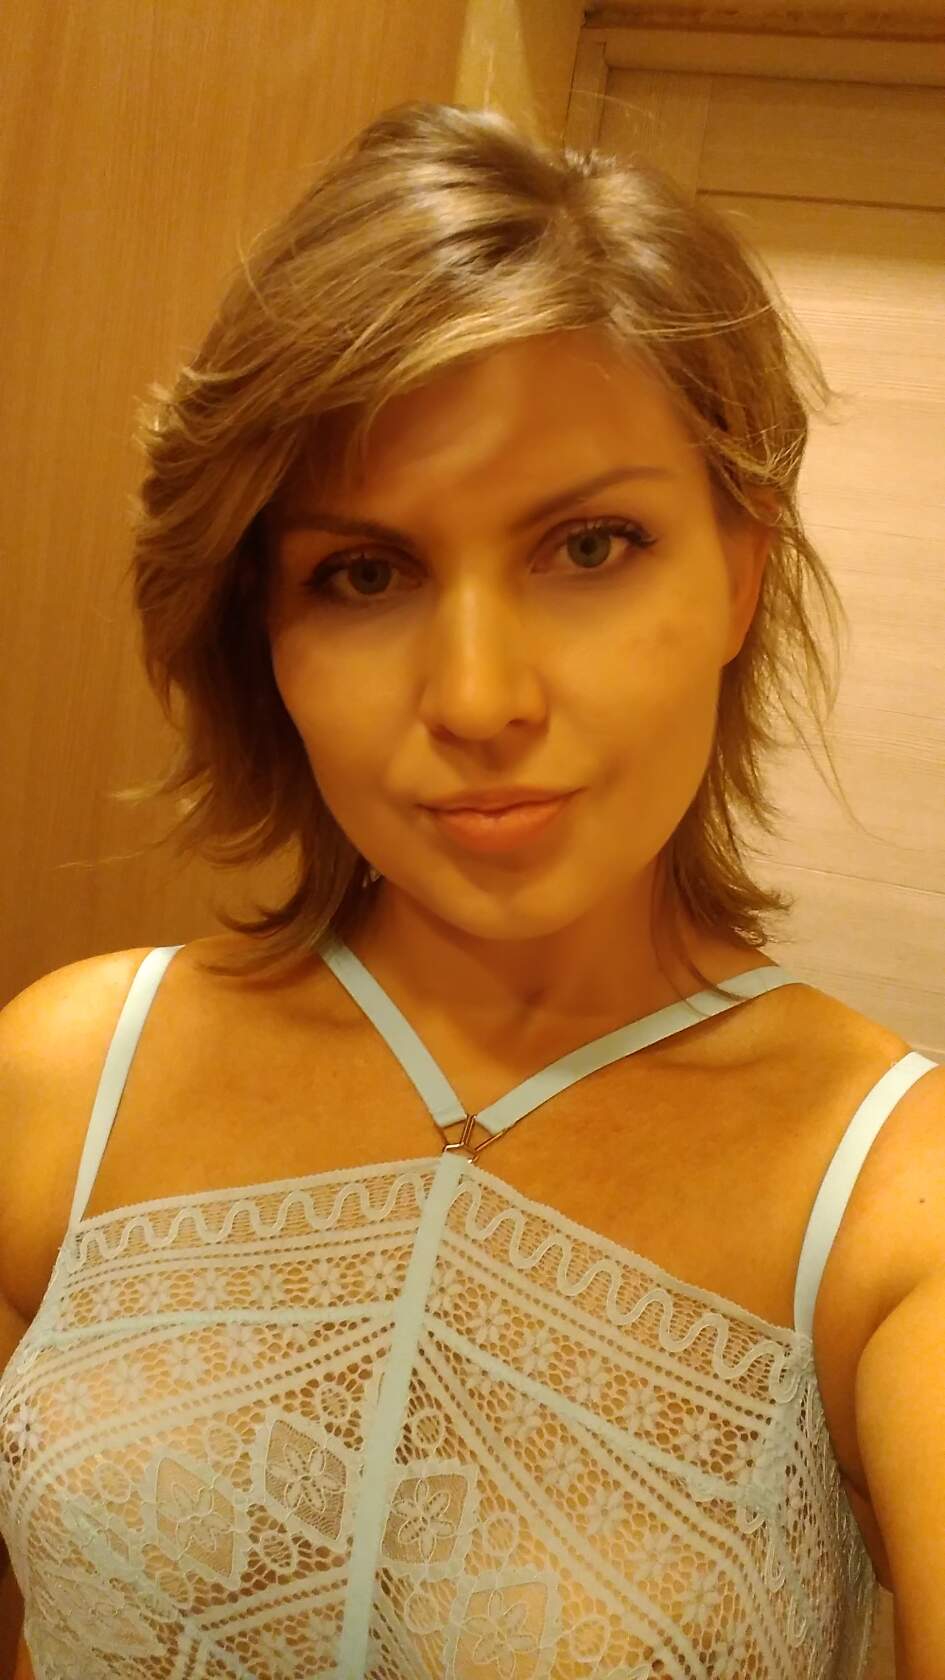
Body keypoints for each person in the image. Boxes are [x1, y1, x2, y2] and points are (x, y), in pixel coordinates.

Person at [0, 100, 940, 1680]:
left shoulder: (895, 1203)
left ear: (739, 572)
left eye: (589, 546)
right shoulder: (59, 1083)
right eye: (363, 574)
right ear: (263, 632)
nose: (480, 697)